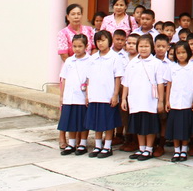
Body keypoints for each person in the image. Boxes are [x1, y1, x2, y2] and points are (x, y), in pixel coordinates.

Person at [121, 34, 166, 161]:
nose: (143, 49)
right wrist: (124, 98)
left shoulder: (156, 63)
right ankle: (141, 148)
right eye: (141, 46)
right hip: (135, 100)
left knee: (149, 126)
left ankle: (149, 149)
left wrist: (161, 101)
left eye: (146, 46)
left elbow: (160, 83)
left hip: (150, 101)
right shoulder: (132, 63)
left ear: (151, 47)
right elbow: (126, 83)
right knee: (139, 125)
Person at [85, 30, 124, 159]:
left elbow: (118, 77)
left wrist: (115, 94)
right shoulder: (93, 58)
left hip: (107, 95)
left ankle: (107, 146)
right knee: (97, 122)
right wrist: (88, 95)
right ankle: (97, 145)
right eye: (98, 41)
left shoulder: (115, 57)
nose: (100, 43)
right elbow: (89, 77)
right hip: (95, 95)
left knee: (108, 122)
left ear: (109, 41)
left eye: (103, 40)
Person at [165, 41, 193, 162]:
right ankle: (176, 151)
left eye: (183, 52)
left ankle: (184, 150)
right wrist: (167, 100)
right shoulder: (172, 67)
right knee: (175, 128)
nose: (181, 55)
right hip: (174, 102)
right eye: (178, 53)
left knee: (185, 129)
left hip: (187, 103)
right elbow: (169, 84)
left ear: (188, 53)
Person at [57, 34, 90, 155]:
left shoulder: (90, 61)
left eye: (80, 46)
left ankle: (83, 143)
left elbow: (90, 79)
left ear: (86, 46)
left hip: (82, 96)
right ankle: (71, 143)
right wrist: (62, 96)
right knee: (71, 120)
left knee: (82, 120)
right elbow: (64, 78)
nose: (77, 49)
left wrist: (88, 95)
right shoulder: (69, 61)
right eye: (74, 46)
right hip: (69, 96)